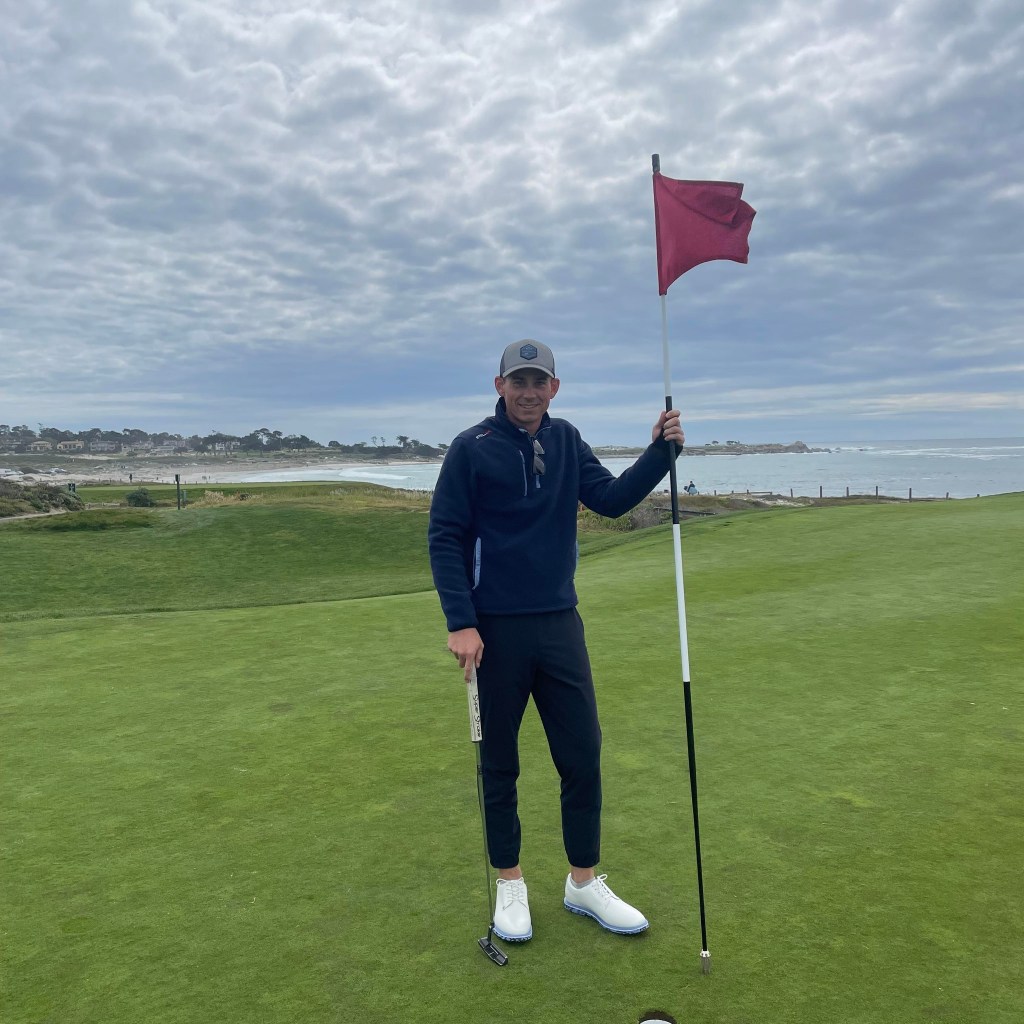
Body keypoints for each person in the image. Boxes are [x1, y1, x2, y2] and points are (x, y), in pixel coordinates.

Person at [428, 339, 683, 943]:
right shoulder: (471, 449)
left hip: (560, 623)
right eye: (518, 381)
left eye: (539, 381)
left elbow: (613, 501)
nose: (528, 391)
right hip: (493, 631)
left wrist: (660, 451)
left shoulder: (565, 439)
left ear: (554, 387)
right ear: (499, 387)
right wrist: (460, 621)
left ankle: (583, 881)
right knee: (500, 763)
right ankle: (510, 883)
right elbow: (445, 536)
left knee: (582, 754)